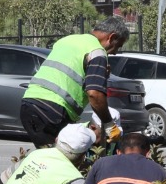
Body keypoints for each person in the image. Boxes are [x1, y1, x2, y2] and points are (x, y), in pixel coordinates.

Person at [20, 16, 130, 147]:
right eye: (118, 46)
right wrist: (109, 125)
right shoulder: (97, 52)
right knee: (60, 159)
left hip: (29, 102)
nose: (116, 53)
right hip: (53, 110)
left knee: (47, 157)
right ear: (111, 38)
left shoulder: (68, 40)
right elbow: (94, 94)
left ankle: (18, 167)